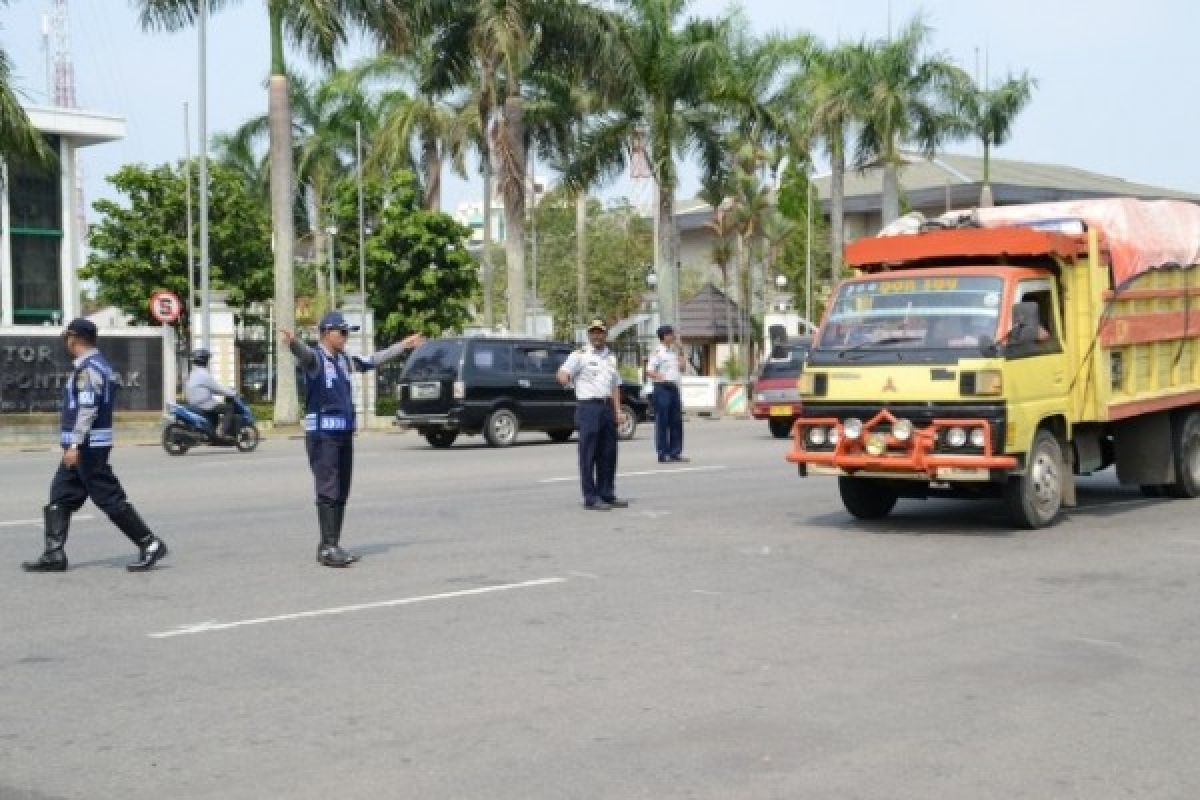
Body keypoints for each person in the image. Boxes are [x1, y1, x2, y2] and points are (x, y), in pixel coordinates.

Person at [21, 318, 168, 573]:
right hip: (81, 447)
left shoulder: (89, 369)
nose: (67, 342)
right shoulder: (96, 366)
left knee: (108, 497)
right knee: (61, 496)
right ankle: (54, 554)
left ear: (74, 339)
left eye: (68, 338)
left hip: (87, 448)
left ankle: (150, 542)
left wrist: (75, 445)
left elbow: (87, 409)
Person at [281, 311, 425, 567]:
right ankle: (328, 547)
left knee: (342, 490)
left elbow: (372, 360)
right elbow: (303, 355)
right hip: (323, 436)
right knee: (328, 489)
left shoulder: (345, 360)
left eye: (347, 332)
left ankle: (332, 542)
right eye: (342, 332)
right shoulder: (316, 358)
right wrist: (293, 343)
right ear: (327, 333)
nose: (346, 338)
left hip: (343, 434)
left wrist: (403, 345)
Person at [556, 319, 628, 511]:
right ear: (589, 335)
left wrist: (618, 410)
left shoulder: (610, 357)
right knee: (589, 454)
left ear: (605, 335)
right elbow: (562, 373)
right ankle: (591, 497)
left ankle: (607, 493)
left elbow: (614, 386)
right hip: (588, 407)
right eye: (593, 332)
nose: (597, 336)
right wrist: (565, 378)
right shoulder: (579, 355)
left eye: (600, 332)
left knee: (608, 453)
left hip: (606, 408)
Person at [646, 324, 687, 463]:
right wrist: (659, 376)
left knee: (676, 421)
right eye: (671, 334)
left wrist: (681, 351)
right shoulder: (657, 352)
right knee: (662, 421)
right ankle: (663, 453)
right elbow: (649, 371)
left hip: (673, 388)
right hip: (662, 388)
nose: (674, 337)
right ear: (664, 336)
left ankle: (675, 452)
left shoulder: (673, 352)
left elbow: (682, 368)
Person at [185, 348, 238, 437]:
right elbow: (218, 388)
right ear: (205, 360)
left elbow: (211, 388)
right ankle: (223, 432)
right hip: (205, 404)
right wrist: (233, 393)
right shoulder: (204, 374)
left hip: (195, 403)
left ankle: (212, 432)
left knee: (216, 413)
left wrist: (222, 391)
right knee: (229, 408)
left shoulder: (193, 373)